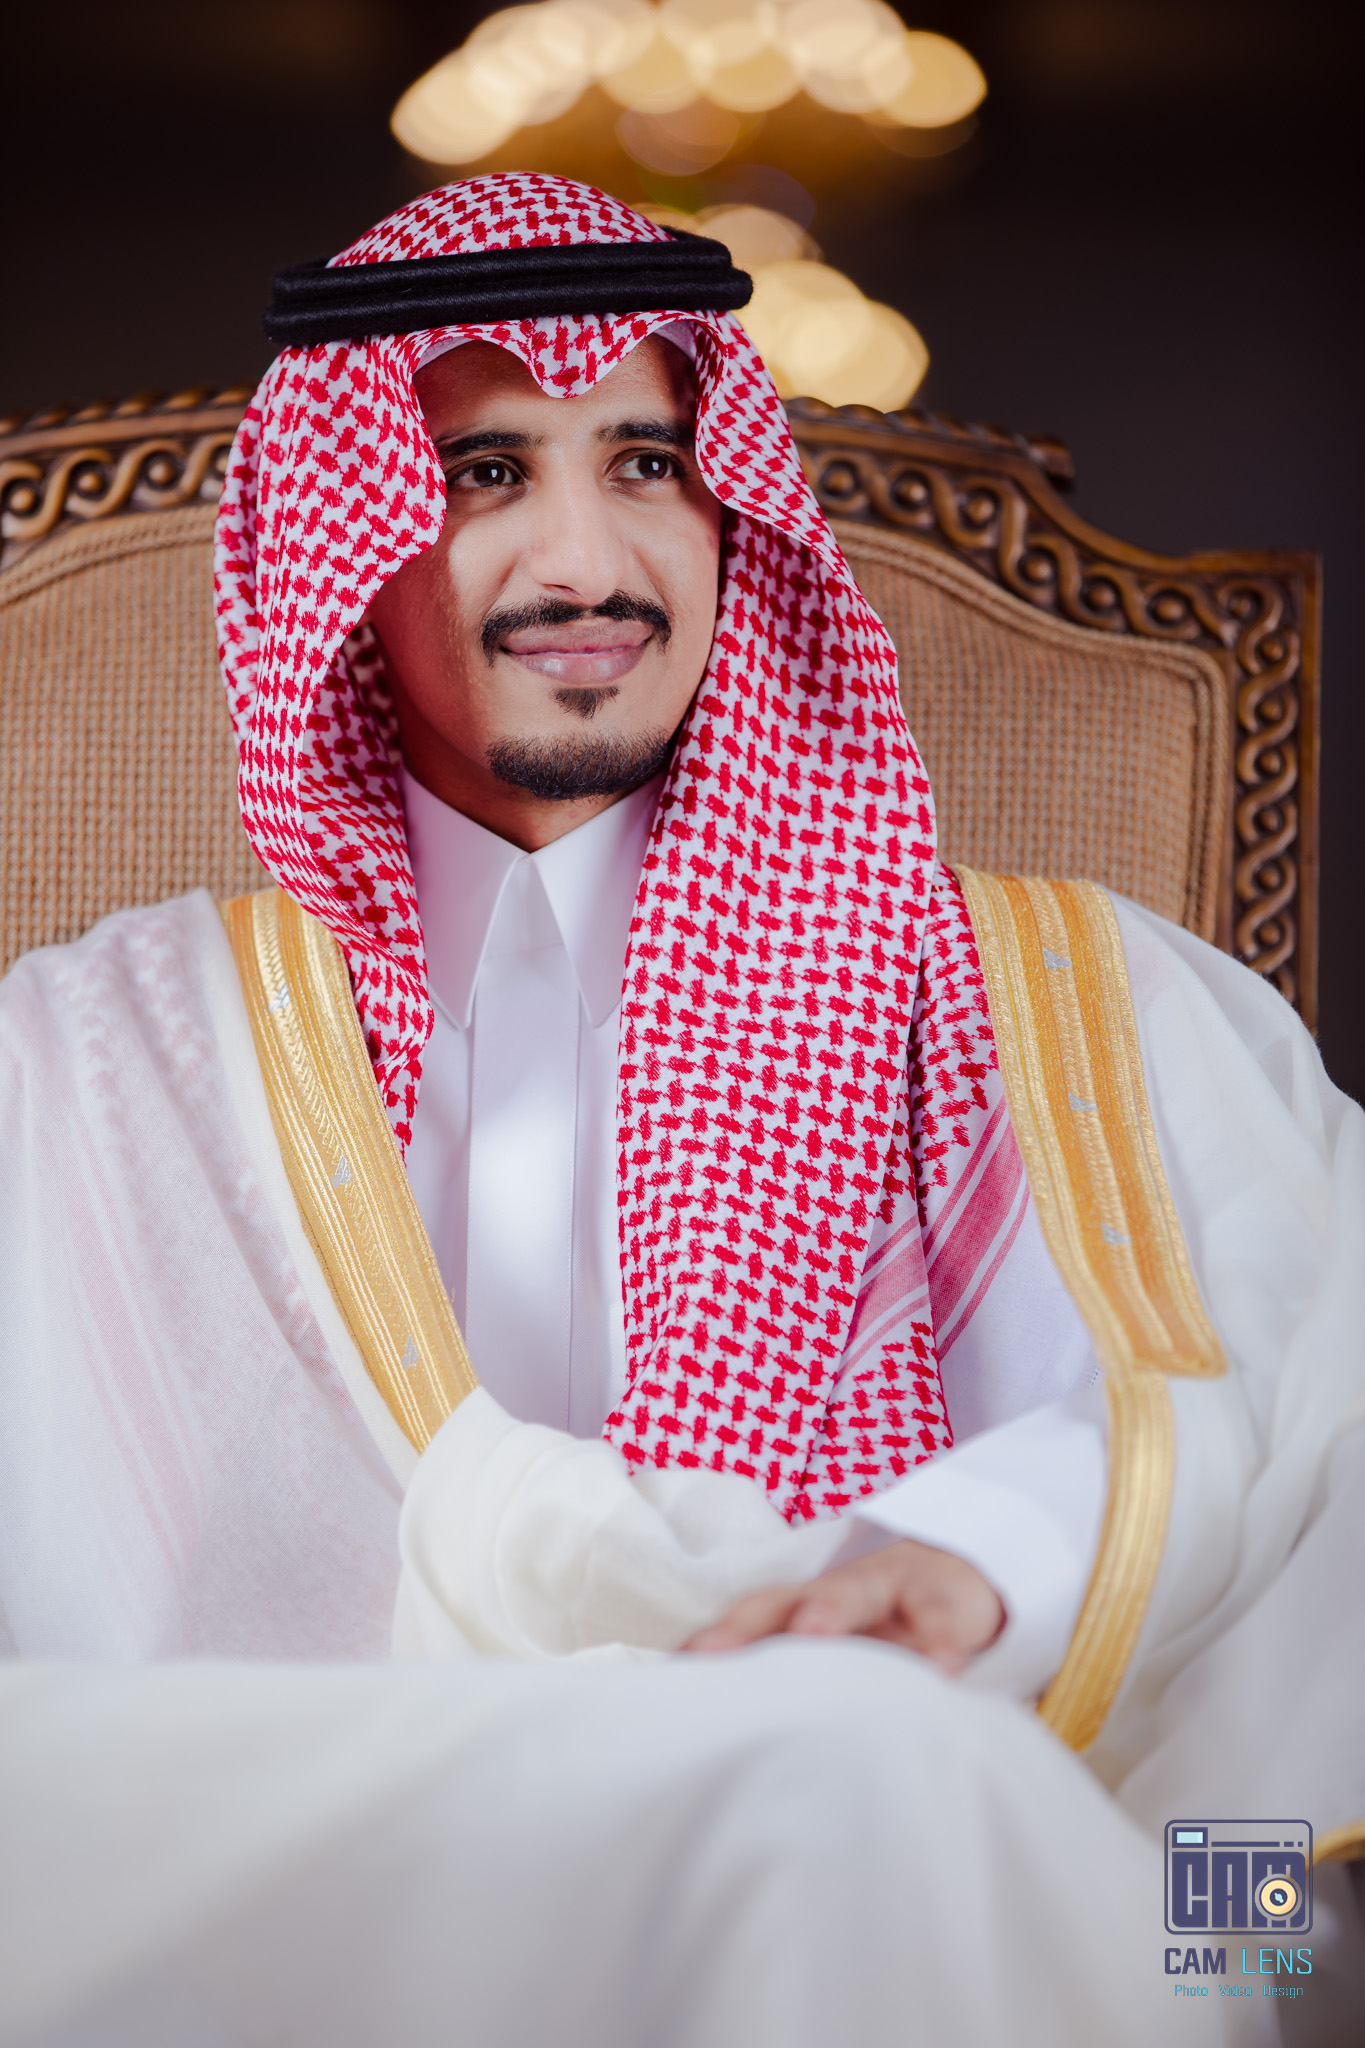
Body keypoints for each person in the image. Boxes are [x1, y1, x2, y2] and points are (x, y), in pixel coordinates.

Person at [0, 174, 1361, 2047]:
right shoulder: (96, 1056)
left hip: (861, 1829)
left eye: (645, 464)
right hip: (312, 1873)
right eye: (484, 474)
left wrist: (974, 1561)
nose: (587, 563)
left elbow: (1287, 1381)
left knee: (871, 1774)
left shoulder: (1062, 994)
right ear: (340, 542)